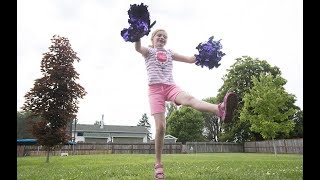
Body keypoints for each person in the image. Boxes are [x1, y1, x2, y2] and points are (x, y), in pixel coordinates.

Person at [134, 29, 237, 179]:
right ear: (152, 39)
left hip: (170, 87)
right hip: (155, 90)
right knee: (161, 127)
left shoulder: (170, 53)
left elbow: (190, 59)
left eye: (165, 36)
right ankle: (158, 164)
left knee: (189, 99)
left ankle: (220, 109)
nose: (162, 37)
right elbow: (137, 47)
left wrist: (204, 53)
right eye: (159, 35)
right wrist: (136, 36)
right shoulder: (148, 51)